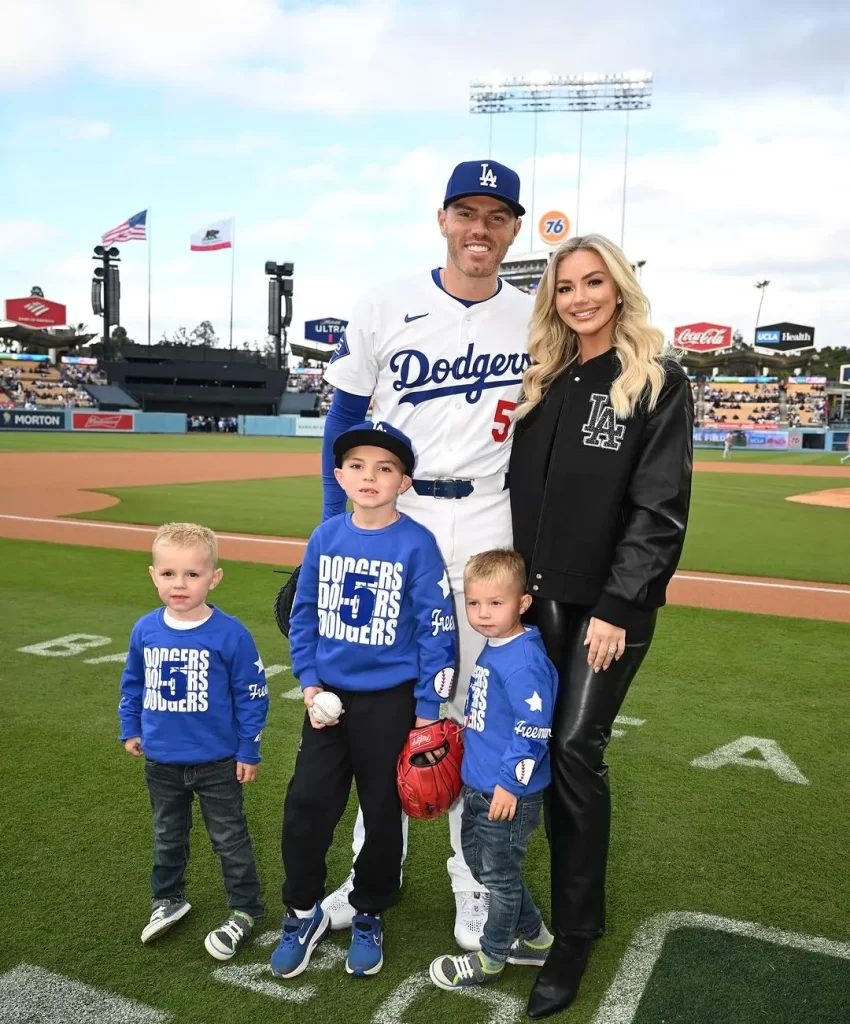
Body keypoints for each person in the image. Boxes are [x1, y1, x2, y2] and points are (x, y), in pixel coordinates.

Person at [319, 159, 534, 948]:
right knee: (382, 707)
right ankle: (373, 869)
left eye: (497, 215)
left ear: (513, 228)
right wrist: (330, 538)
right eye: (467, 212)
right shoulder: (385, 303)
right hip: (395, 516)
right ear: (442, 218)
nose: (481, 229)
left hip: (489, 516)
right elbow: (343, 422)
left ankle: (472, 880)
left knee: (477, 711)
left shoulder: (535, 315)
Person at [509, 233, 694, 1019]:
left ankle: (576, 933)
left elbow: (658, 510)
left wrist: (619, 606)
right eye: (566, 286)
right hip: (540, 600)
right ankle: (531, 902)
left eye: (594, 282)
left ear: (618, 288)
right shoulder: (546, 380)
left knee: (575, 750)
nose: (580, 296)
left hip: (607, 607)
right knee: (539, 746)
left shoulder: (656, 380)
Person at [270, 421, 457, 980]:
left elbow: (437, 631)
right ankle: (301, 910)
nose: (369, 477)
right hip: (327, 699)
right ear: (338, 474)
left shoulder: (417, 543)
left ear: (404, 481)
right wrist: (308, 683)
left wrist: (429, 709)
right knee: (307, 804)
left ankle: (369, 908)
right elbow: (302, 617)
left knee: (381, 812)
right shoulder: (325, 536)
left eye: (385, 468)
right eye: (357, 466)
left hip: (392, 704)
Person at [118, 522, 269, 961]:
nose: (178, 584)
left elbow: (252, 695)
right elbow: (133, 684)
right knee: (168, 834)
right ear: (153, 575)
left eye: (191, 574)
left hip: (218, 762)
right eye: (168, 574)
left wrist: (249, 750)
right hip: (162, 761)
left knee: (229, 838)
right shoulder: (145, 630)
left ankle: (245, 907)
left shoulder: (231, 634)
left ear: (214, 578)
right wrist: (131, 727)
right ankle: (167, 899)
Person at [429, 549, 557, 992]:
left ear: (522, 603)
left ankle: (491, 957)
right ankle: (538, 940)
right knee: (487, 870)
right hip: (479, 787)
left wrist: (509, 786)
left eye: (495, 604)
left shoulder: (523, 661)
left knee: (499, 879)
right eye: (474, 603)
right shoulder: (497, 644)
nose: (482, 614)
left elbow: (532, 731)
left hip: (507, 795)